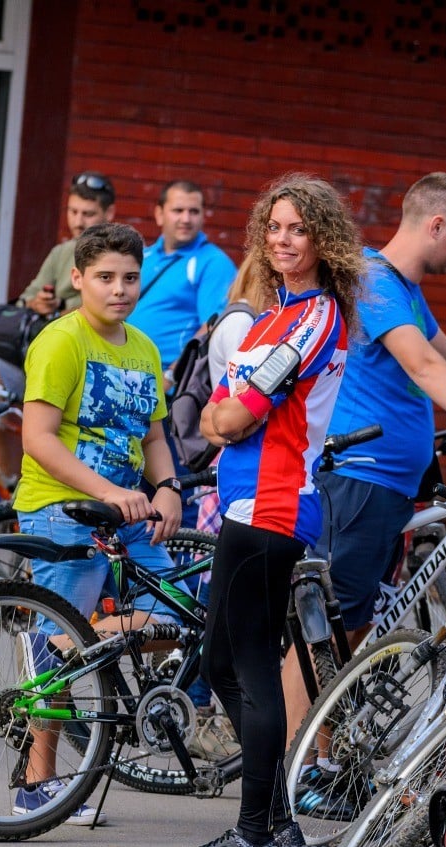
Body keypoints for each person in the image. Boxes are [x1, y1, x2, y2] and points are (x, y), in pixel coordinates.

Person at [282, 172, 446, 750]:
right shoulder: (375, 281)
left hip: (386, 487)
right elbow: (424, 367)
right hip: (359, 480)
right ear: (437, 225)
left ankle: (317, 758)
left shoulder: (404, 288)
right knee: (322, 629)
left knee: (350, 626)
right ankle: (284, 772)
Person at [168, 172, 365, 847]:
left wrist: (230, 414)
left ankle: (254, 829)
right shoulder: (272, 314)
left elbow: (232, 414)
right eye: (274, 227)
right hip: (246, 504)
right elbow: (222, 411)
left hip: (275, 503)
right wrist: (230, 413)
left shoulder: (314, 316)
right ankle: (274, 822)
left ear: (324, 240)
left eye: (298, 229)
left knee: (247, 663)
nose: (282, 239)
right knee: (224, 659)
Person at [12, 221, 183, 824]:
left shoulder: (143, 346)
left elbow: (156, 434)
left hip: (129, 512)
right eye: (105, 277)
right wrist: (112, 490)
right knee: (64, 641)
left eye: (130, 277)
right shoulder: (62, 342)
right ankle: (36, 785)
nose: (120, 289)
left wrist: (166, 487)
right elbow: (36, 440)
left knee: (179, 619)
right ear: (78, 278)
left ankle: (66, 639)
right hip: (63, 509)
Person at [0, 171, 116, 484]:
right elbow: (27, 298)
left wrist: (68, 310)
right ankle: (5, 481)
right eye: (73, 212)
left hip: (82, 358)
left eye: (88, 213)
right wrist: (36, 305)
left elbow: (115, 308)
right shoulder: (61, 252)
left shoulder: (116, 255)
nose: (79, 221)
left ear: (108, 214)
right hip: (38, 350)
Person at [186, 250, 267, 762]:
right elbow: (233, 412)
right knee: (213, 602)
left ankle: (197, 705)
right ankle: (197, 711)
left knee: (213, 600)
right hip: (229, 480)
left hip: (228, 476)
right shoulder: (242, 324)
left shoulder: (244, 319)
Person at [127, 179, 237, 396]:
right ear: (159, 214)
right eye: (178, 210)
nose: (186, 219)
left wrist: (170, 377)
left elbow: (212, 328)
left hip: (164, 387)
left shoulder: (214, 262)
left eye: (194, 211)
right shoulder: (142, 256)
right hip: (121, 373)